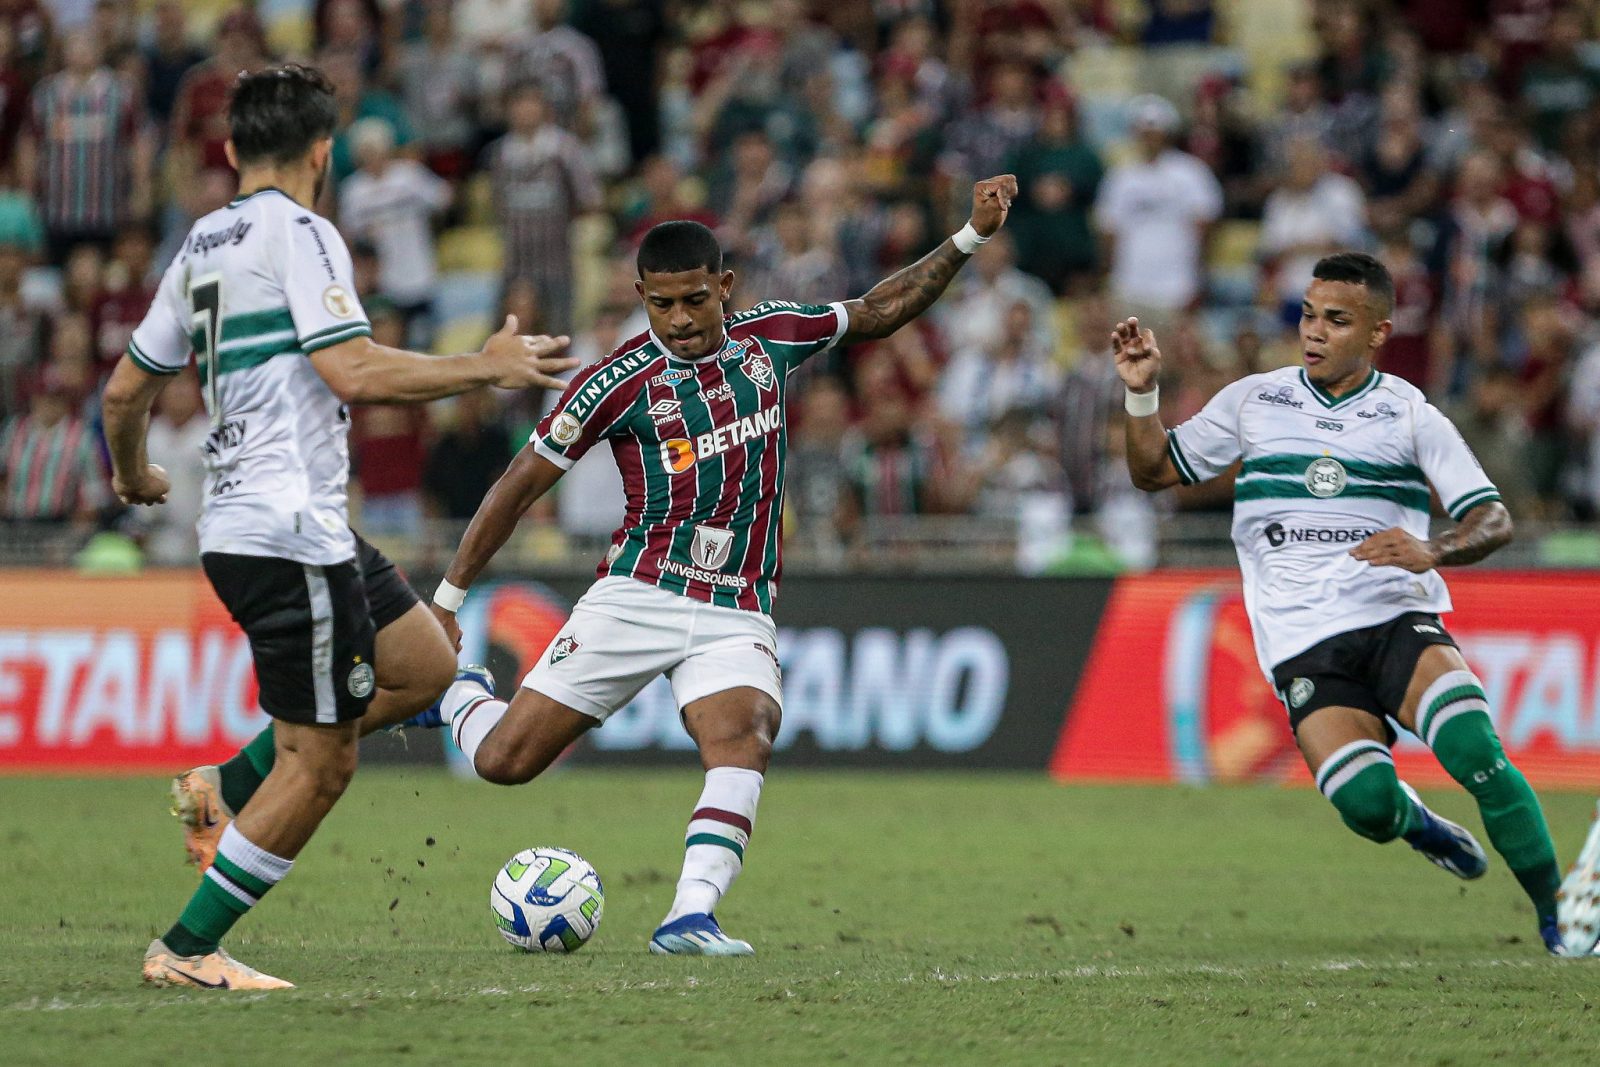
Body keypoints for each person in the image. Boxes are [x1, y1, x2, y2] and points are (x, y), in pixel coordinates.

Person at [407, 175, 1017, 956]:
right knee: (505, 762)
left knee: (746, 733)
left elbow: (879, 309)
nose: (681, 319)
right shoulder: (613, 381)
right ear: (642, 297)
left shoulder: (773, 335)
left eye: (696, 299)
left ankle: (689, 914)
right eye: (662, 304)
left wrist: (968, 236)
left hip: (736, 604)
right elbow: (516, 487)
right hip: (639, 590)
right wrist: (450, 601)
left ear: (724, 286)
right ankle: (460, 696)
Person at [99, 64, 576, 991]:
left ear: (233, 149)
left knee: (428, 665)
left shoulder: (200, 240)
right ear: (324, 152)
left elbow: (125, 390)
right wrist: (482, 366)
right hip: (288, 533)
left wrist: (134, 472)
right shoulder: (304, 231)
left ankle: (221, 787)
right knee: (321, 764)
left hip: (260, 522)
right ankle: (188, 949)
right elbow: (353, 371)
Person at [1114, 252, 1572, 954]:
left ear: (1378, 332)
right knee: (1365, 806)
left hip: (1394, 615)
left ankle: (1563, 917)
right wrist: (1142, 393)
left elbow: (1493, 517)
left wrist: (1435, 550)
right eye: (1307, 314)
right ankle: (1419, 824)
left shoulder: (1409, 413)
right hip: (1300, 642)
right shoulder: (1254, 401)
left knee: (1476, 751)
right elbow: (1153, 470)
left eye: (1337, 319)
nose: (1315, 331)